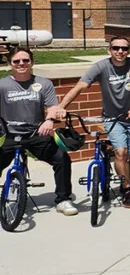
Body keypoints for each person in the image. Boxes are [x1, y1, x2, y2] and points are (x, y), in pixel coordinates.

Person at [58, 36, 130, 208]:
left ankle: (124, 181)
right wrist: (61, 107)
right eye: (116, 48)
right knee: (121, 152)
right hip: (113, 119)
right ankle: (127, 190)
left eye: (124, 48)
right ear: (109, 50)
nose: (120, 51)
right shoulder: (101, 66)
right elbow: (80, 86)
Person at [0, 48, 77, 215]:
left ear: (32, 63)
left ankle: (63, 200)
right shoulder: (2, 85)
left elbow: (52, 107)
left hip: (36, 133)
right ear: (9, 64)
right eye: (17, 61)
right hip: (9, 134)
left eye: (26, 60)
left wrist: (49, 120)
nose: (22, 64)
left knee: (61, 158)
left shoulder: (43, 83)